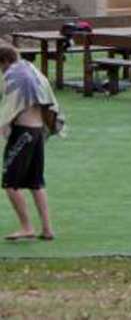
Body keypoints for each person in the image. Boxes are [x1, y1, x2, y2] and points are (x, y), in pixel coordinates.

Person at [1, 44, 57, 241]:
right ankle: (47, 229)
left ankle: (26, 227)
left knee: (10, 183)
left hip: (23, 134)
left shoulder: (15, 75)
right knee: (36, 182)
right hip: (37, 132)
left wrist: (5, 124)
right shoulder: (31, 71)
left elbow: (11, 105)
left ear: (5, 62)